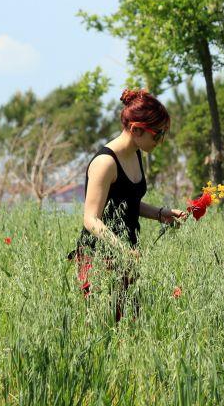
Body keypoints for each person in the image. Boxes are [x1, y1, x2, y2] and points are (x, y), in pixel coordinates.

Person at [68, 88, 186, 321]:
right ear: (136, 129)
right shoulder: (105, 163)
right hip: (99, 259)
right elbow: (91, 219)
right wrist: (122, 249)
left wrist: (161, 213)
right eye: (158, 134)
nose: (161, 141)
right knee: (106, 329)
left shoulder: (135, 153)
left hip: (126, 258)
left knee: (130, 330)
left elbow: (129, 203)